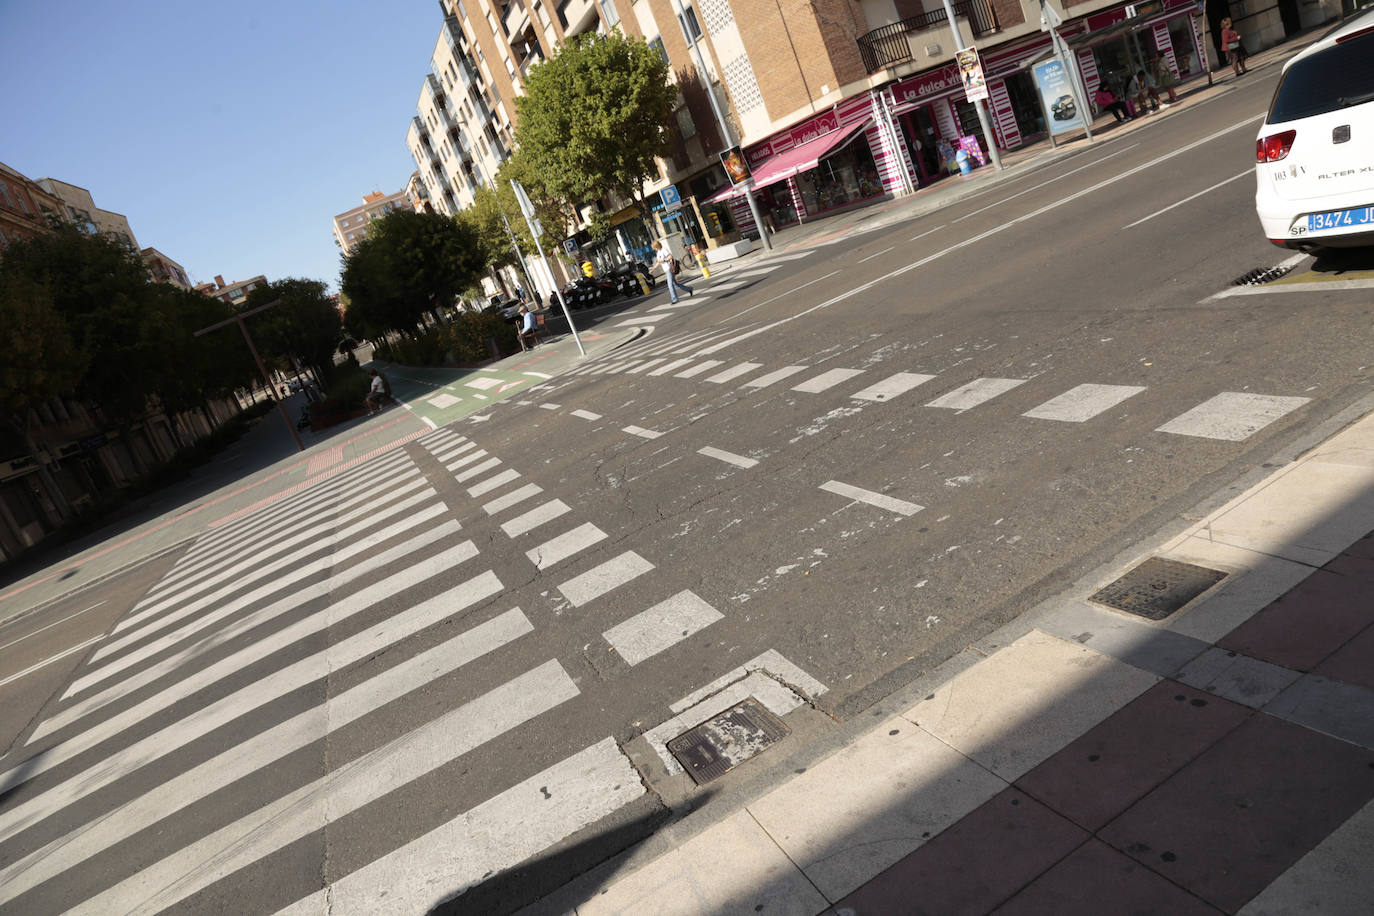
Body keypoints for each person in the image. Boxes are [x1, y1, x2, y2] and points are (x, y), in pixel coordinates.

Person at [652, 239, 693, 304]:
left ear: (657, 246)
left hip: (669, 269)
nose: (654, 249)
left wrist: (664, 260)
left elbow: (670, 257)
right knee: (675, 284)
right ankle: (689, 289)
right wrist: (653, 269)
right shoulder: (658, 253)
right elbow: (658, 262)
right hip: (666, 270)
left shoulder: (664, 250)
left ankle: (675, 299)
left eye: (655, 248)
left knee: (670, 284)